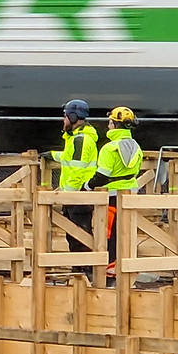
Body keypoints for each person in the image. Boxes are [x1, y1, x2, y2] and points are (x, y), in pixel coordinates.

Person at [87, 105, 144, 281]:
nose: (108, 126)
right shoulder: (135, 146)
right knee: (126, 231)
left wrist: (88, 186)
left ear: (114, 124)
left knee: (109, 232)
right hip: (130, 194)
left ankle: (110, 266)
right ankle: (123, 264)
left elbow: (102, 176)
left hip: (111, 195)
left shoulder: (109, 148)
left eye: (110, 122)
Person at [50, 99, 100, 271]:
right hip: (76, 195)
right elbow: (69, 157)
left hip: (78, 196)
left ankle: (84, 272)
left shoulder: (81, 140)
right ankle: (80, 270)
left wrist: (67, 194)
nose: (63, 120)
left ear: (73, 116)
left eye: (65, 116)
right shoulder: (76, 139)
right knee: (75, 236)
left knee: (80, 236)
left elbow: (78, 169)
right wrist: (52, 155)